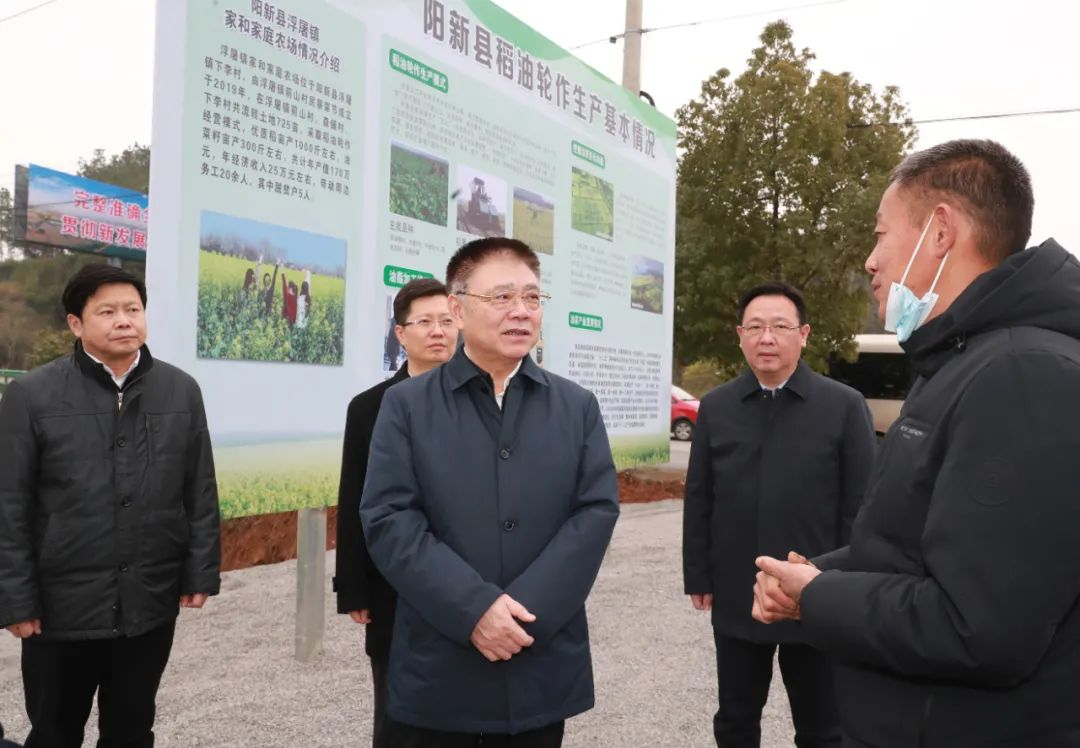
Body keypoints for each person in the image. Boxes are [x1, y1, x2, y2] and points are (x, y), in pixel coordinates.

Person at [752, 139, 1080, 747]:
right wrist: (820, 572)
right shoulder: (960, 361)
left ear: (941, 232)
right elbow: (919, 545)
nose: (871, 260)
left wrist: (819, 598)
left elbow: (980, 628)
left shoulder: (1023, 374)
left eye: (881, 234)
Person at [360, 237, 619, 747]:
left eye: (532, 297)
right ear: (457, 308)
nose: (521, 311)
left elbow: (594, 512)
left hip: (537, 655)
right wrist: (474, 610)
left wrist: (522, 614)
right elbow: (389, 517)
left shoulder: (576, 406)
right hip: (440, 664)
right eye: (502, 297)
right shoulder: (407, 405)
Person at [0, 264, 221, 748]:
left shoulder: (180, 390)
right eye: (107, 311)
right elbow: (9, 504)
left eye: (133, 309)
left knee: (131, 730)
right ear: (75, 323)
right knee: (54, 732)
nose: (124, 320)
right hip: (60, 610)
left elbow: (199, 488)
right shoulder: (31, 395)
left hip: (148, 602)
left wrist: (200, 571)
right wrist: (16, 598)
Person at [683, 282, 876, 748]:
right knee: (735, 718)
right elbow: (701, 495)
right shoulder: (718, 406)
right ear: (740, 336)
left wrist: (847, 581)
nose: (766, 338)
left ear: (803, 334)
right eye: (755, 327)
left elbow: (861, 505)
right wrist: (698, 574)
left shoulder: (843, 406)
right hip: (737, 587)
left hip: (817, 589)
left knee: (822, 725)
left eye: (780, 327)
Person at [334, 278, 458, 748]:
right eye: (424, 322)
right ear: (401, 334)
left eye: (446, 321)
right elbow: (355, 498)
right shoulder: (370, 407)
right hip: (394, 584)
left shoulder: (485, 399)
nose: (437, 331)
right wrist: (354, 586)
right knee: (397, 711)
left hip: (468, 578)